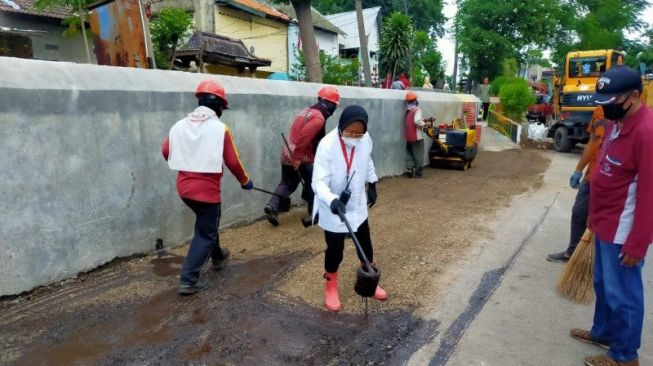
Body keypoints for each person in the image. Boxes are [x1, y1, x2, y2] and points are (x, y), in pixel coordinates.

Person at [570, 66, 653, 366]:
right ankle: (603, 331)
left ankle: (625, 355)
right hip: (604, 221)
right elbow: (605, 169)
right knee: (604, 284)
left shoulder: (647, 132)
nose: (606, 107)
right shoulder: (616, 121)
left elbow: (649, 193)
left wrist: (638, 242)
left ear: (635, 95)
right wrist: (593, 215)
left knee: (624, 294)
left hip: (624, 230)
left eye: (612, 100)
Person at [162, 80, 253, 295]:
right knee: (205, 232)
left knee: (207, 225)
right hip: (207, 192)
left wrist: (187, 163)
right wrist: (245, 180)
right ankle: (189, 279)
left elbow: (166, 150)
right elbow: (233, 161)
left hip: (184, 188)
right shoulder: (220, 129)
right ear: (219, 105)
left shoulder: (180, 124)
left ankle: (218, 256)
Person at [312, 105, 387, 312]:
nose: (354, 136)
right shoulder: (327, 145)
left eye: (358, 133)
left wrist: (372, 182)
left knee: (365, 244)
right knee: (335, 251)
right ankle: (331, 286)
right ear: (341, 126)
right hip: (333, 207)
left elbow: (368, 160)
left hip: (357, 204)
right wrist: (331, 199)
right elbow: (317, 182)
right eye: (349, 132)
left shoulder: (365, 140)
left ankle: (370, 282)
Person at [264, 86, 340, 227]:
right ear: (330, 105)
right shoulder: (318, 118)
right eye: (334, 106)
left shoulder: (307, 111)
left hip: (287, 150)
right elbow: (305, 136)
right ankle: (314, 214)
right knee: (314, 182)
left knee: (287, 183)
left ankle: (272, 206)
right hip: (301, 154)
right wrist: (297, 157)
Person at [547, 106, 607, 262]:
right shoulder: (599, 111)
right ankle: (573, 252)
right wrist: (579, 170)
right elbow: (592, 143)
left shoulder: (629, 116)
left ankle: (599, 260)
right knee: (579, 212)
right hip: (591, 174)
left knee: (602, 220)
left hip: (611, 178)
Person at [404, 91, 434, 177]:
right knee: (419, 154)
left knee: (409, 152)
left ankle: (411, 169)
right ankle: (418, 172)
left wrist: (425, 119)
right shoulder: (417, 110)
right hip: (417, 136)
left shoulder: (408, 111)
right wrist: (426, 124)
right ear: (415, 100)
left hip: (408, 136)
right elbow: (417, 121)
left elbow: (415, 120)